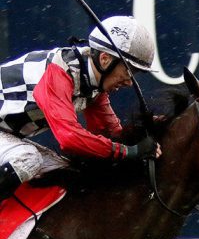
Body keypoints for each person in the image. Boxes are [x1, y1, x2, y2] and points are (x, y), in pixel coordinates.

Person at [0, 15, 160, 204]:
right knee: (27, 159)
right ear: (105, 59)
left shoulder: (92, 85)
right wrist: (130, 152)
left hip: (6, 133)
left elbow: (109, 134)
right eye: (129, 71)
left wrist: (144, 134)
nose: (130, 82)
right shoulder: (58, 72)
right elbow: (70, 138)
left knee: (65, 172)